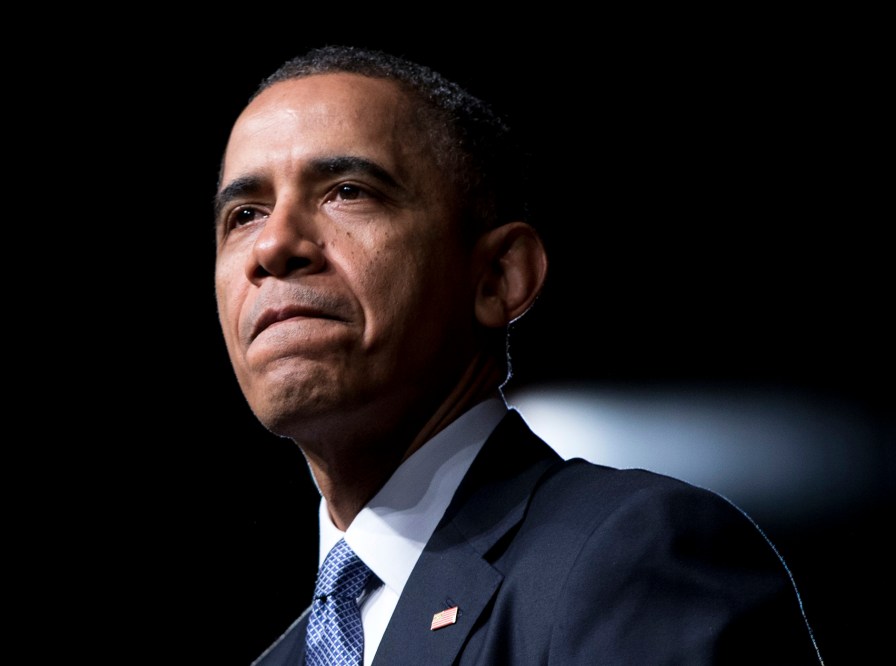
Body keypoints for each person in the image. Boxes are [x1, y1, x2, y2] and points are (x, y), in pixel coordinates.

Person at [213, 45, 822, 665]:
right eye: (244, 215)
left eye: (348, 190)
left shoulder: (629, 558)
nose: (274, 245)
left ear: (499, 276)